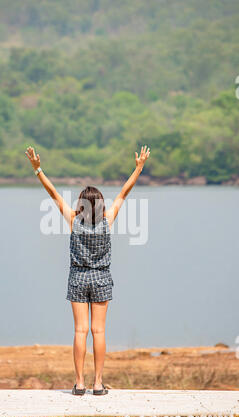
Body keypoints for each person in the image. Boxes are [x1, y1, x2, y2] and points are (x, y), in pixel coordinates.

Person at [25, 145, 150, 395]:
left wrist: (38, 169)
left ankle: (80, 383)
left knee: (80, 331)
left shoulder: (73, 221)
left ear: (82, 205)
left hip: (78, 278)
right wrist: (138, 168)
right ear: (100, 204)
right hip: (102, 278)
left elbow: (53, 194)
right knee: (99, 331)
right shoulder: (107, 220)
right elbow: (125, 193)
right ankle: (98, 384)